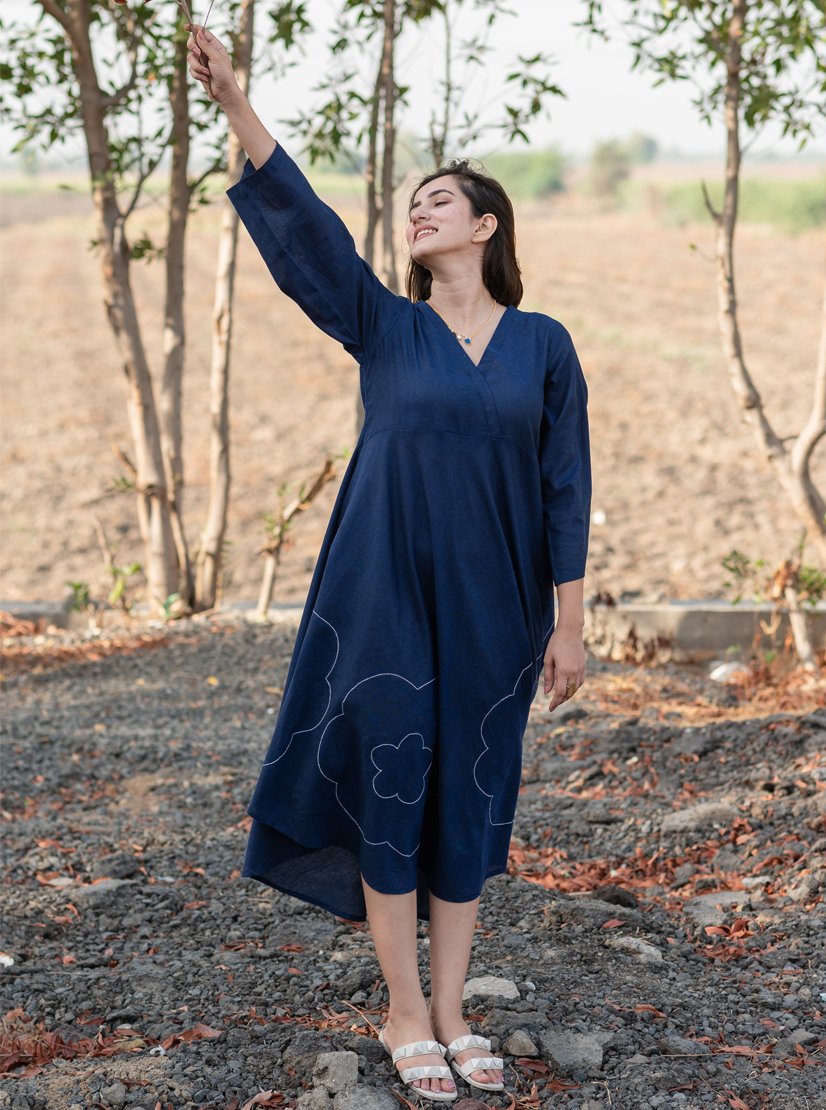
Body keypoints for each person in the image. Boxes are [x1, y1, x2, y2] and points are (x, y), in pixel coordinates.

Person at [188, 23, 591, 1104]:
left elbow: (566, 483)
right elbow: (309, 234)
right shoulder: (385, 325)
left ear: (488, 224)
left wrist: (571, 618)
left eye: (441, 199)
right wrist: (235, 104)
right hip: (382, 598)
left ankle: (454, 1008)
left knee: (466, 794)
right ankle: (403, 1006)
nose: (420, 209)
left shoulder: (544, 345)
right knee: (389, 781)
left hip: (497, 607)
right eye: (412, 201)